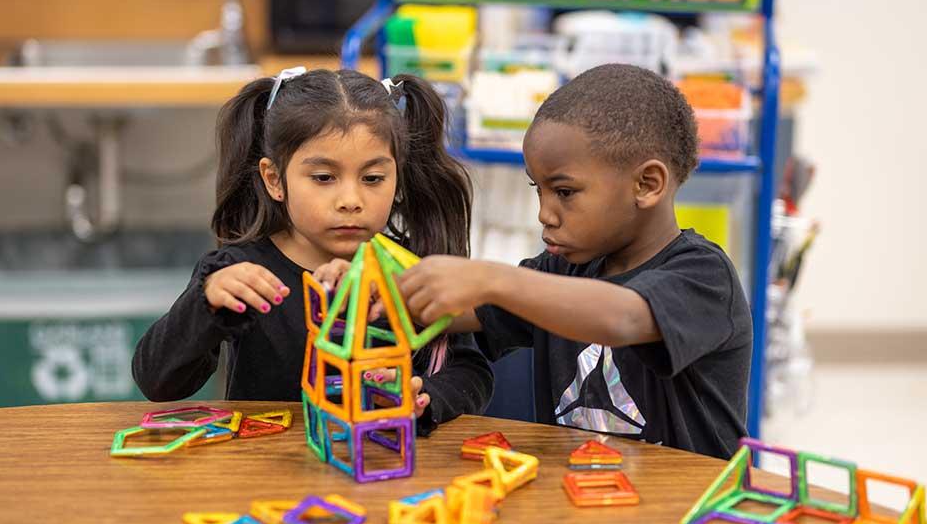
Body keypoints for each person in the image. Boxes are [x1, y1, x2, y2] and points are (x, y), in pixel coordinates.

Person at [398, 64, 752, 458]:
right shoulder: (562, 270)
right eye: (539, 190)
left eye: (564, 192)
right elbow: (452, 309)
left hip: (685, 510)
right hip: (579, 503)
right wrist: (373, 282)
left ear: (647, 184)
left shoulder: (704, 277)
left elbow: (623, 318)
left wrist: (490, 277)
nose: (544, 214)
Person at [132, 68, 493, 434]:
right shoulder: (238, 271)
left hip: (387, 476)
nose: (351, 201)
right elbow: (158, 382)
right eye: (324, 178)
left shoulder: (413, 270)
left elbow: (470, 372)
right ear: (274, 180)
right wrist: (205, 303)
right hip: (263, 476)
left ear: (397, 176)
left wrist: (426, 397)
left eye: (372, 179)